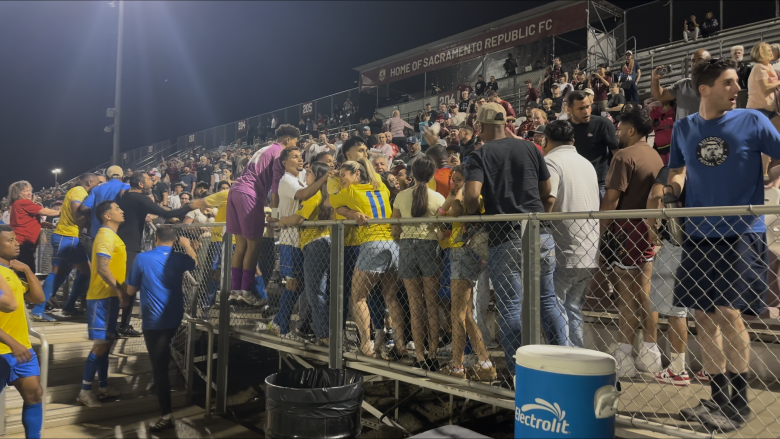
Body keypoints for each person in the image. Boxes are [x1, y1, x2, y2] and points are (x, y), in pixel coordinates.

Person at [668, 58, 780, 431]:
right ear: (705, 89)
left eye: (737, 83)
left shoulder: (753, 120)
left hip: (741, 232)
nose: (737, 90)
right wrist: (669, 190)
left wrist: (770, 177)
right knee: (702, 315)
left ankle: (739, 404)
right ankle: (718, 398)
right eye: (729, 83)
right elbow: (679, 171)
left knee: (730, 314)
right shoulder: (683, 128)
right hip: (699, 235)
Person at [463, 103, 566, 375]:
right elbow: (546, 190)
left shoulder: (480, 154)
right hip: (538, 233)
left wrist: (474, 211)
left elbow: (472, 197)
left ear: (482, 127)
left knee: (510, 306)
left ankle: (519, 374)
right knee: (547, 300)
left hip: (504, 236)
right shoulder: (531, 148)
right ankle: (562, 365)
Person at [601, 108, 664, 377]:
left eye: (620, 127)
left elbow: (612, 199)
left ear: (630, 130)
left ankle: (625, 355)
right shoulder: (654, 154)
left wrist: (601, 230)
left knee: (627, 294)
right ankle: (650, 352)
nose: (617, 132)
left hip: (626, 229)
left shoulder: (625, 156)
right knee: (647, 293)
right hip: (647, 228)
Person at [329, 157, 408, 359]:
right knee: (390, 297)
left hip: (372, 243)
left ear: (357, 174)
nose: (341, 179)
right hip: (392, 243)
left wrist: (351, 212)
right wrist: (353, 211)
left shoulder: (351, 192)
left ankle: (366, 345)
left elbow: (333, 202)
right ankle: (400, 345)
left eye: (343, 175)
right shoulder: (381, 186)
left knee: (358, 297)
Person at [126, 225, 195, 432]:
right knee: (161, 357)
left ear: (155, 238)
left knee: (160, 367)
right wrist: (188, 245)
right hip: (174, 317)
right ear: (174, 240)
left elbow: (131, 289)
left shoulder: (142, 258)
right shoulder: (179, 257)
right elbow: (194, 261)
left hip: (153, 320)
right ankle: (159, 385)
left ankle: (166, 416)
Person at [116, 173, 199, 337]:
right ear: (140, 183)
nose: (151, 182)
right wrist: (191, 205)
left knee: (123, 285)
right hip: (130, 246)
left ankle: (118, 323)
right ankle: (122, 325)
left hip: (120, 243)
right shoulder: (141, 198)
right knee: (128, 288)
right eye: (148, 179)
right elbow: (166, 214)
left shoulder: (125, 197)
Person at [541, 121, 600, 349]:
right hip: (588, 248)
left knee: (554, 305)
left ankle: (563, 359)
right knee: (572, 307)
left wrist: (537, 224)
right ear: (572, 141)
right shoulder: (586, 163)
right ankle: (576, 356)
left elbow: (549, 198)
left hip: (564, 249)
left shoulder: (551, 161)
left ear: (546, 141)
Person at [435, 163, 496, 380]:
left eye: (459, 179)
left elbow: (457, 214)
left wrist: (458, 194)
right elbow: (439, 219)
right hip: (458, 251)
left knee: (457, 314)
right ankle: (485, 363)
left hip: (465, 252)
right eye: (454, 179)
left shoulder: (475, 196)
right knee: (466, 315)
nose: (454, 183)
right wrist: (451, 197)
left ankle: (457, 368)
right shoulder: (460, 195)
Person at [227, 125, 300, 300]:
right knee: (254, 245)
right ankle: (245, 291)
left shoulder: (264, 148)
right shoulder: (279, 154)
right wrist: (275, 212)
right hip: (249, 194)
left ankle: (235, 291)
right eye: (295, 145)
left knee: (241, 245)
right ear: (288, 140)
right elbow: (275, 187)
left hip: (235, 191)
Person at [267, 147, 330, 337]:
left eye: (300, 156)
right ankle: (281, 323)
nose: (300, 159)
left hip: (300, 238)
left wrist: (277, 217)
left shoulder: (300, 180)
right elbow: (302, 196)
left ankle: (282, 321)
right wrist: (324, 177)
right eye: (294, 157)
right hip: (291, 237)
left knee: (301, 283)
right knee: (294, 282)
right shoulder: (287, 180)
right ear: (284, 163)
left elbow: (278, 200)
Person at [391, 156, 444, 370]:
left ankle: (419, 354)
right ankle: (433, 352)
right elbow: (441, 229)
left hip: (406, 247)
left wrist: (402, 240)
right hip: (429, 246)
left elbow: (395, 229)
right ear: (432, 175)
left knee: (415, 304)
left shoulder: (401, 196)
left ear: (412, 173)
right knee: (431, 303)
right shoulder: (438, 197)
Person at [76, 201, 126, 408]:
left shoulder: (112, 235)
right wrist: (120, 290)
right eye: (117, 208)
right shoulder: (105, 235)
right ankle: (84, 392)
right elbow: (103, 268)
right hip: (102, 297)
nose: (121, 211)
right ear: (107, 215)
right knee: (100, 345)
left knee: (106, 344)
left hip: (108, 297)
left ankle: (103, 388)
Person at [0, 225, 46, 439]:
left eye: (15, 239)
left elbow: (38, 298)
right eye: (10, 240)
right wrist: (11, 342)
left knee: (35, 394)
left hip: (21, 348)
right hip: (4, 348)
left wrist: (27, 269)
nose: (16, 243)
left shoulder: (11, 273)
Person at [36, 173, 99, 321]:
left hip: (71, 238)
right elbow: (78, 216)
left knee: (85, 272)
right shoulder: (79, 191)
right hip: (67, 237)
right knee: (57, 273)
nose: (99, 185)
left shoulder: (79, 192)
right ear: (90, 182)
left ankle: (69, 306)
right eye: (97, 182)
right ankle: (38, 309)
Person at [566, 90, 619, 198]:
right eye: (581, 108)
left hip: (600, 182)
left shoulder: (603, 124)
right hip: (574, 183)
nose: (586, 111)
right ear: (569, 110)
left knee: (602, 214)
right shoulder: (565, 128)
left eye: (588, 106)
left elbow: (617, 153)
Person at [7, 181, 60, 273]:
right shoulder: (23, 202)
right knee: (27, 270)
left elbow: (24, 220)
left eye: (29, 190)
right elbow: (44, 211)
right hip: (24, 241)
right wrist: (63, 212)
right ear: (18, 193)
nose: (29, 193)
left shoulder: (17, 203)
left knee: (22, 267)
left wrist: (41, 224)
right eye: (25, 191)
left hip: (21, 241)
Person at [78, 166, 131, 239]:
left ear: (107, 177)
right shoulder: (126, 187)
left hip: (97, 232)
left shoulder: (96, 189)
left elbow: (84, 207)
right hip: (118, 233)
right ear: (122, 177)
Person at [747, 42, 780, 132]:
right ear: (761, 53)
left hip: (770, 108)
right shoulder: (759, 67)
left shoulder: (769, 66)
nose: (771, 52)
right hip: (759, 109)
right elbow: (765, 88)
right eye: (768, 50)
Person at [650, 99, 675, 164]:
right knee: (663, 168)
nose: (664, 107)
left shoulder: (674, 110)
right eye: (662, 105)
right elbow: (649, 127)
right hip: (659, 148)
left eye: (666, 104)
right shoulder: (654, 112)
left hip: (672, 146)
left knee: (672, 167)